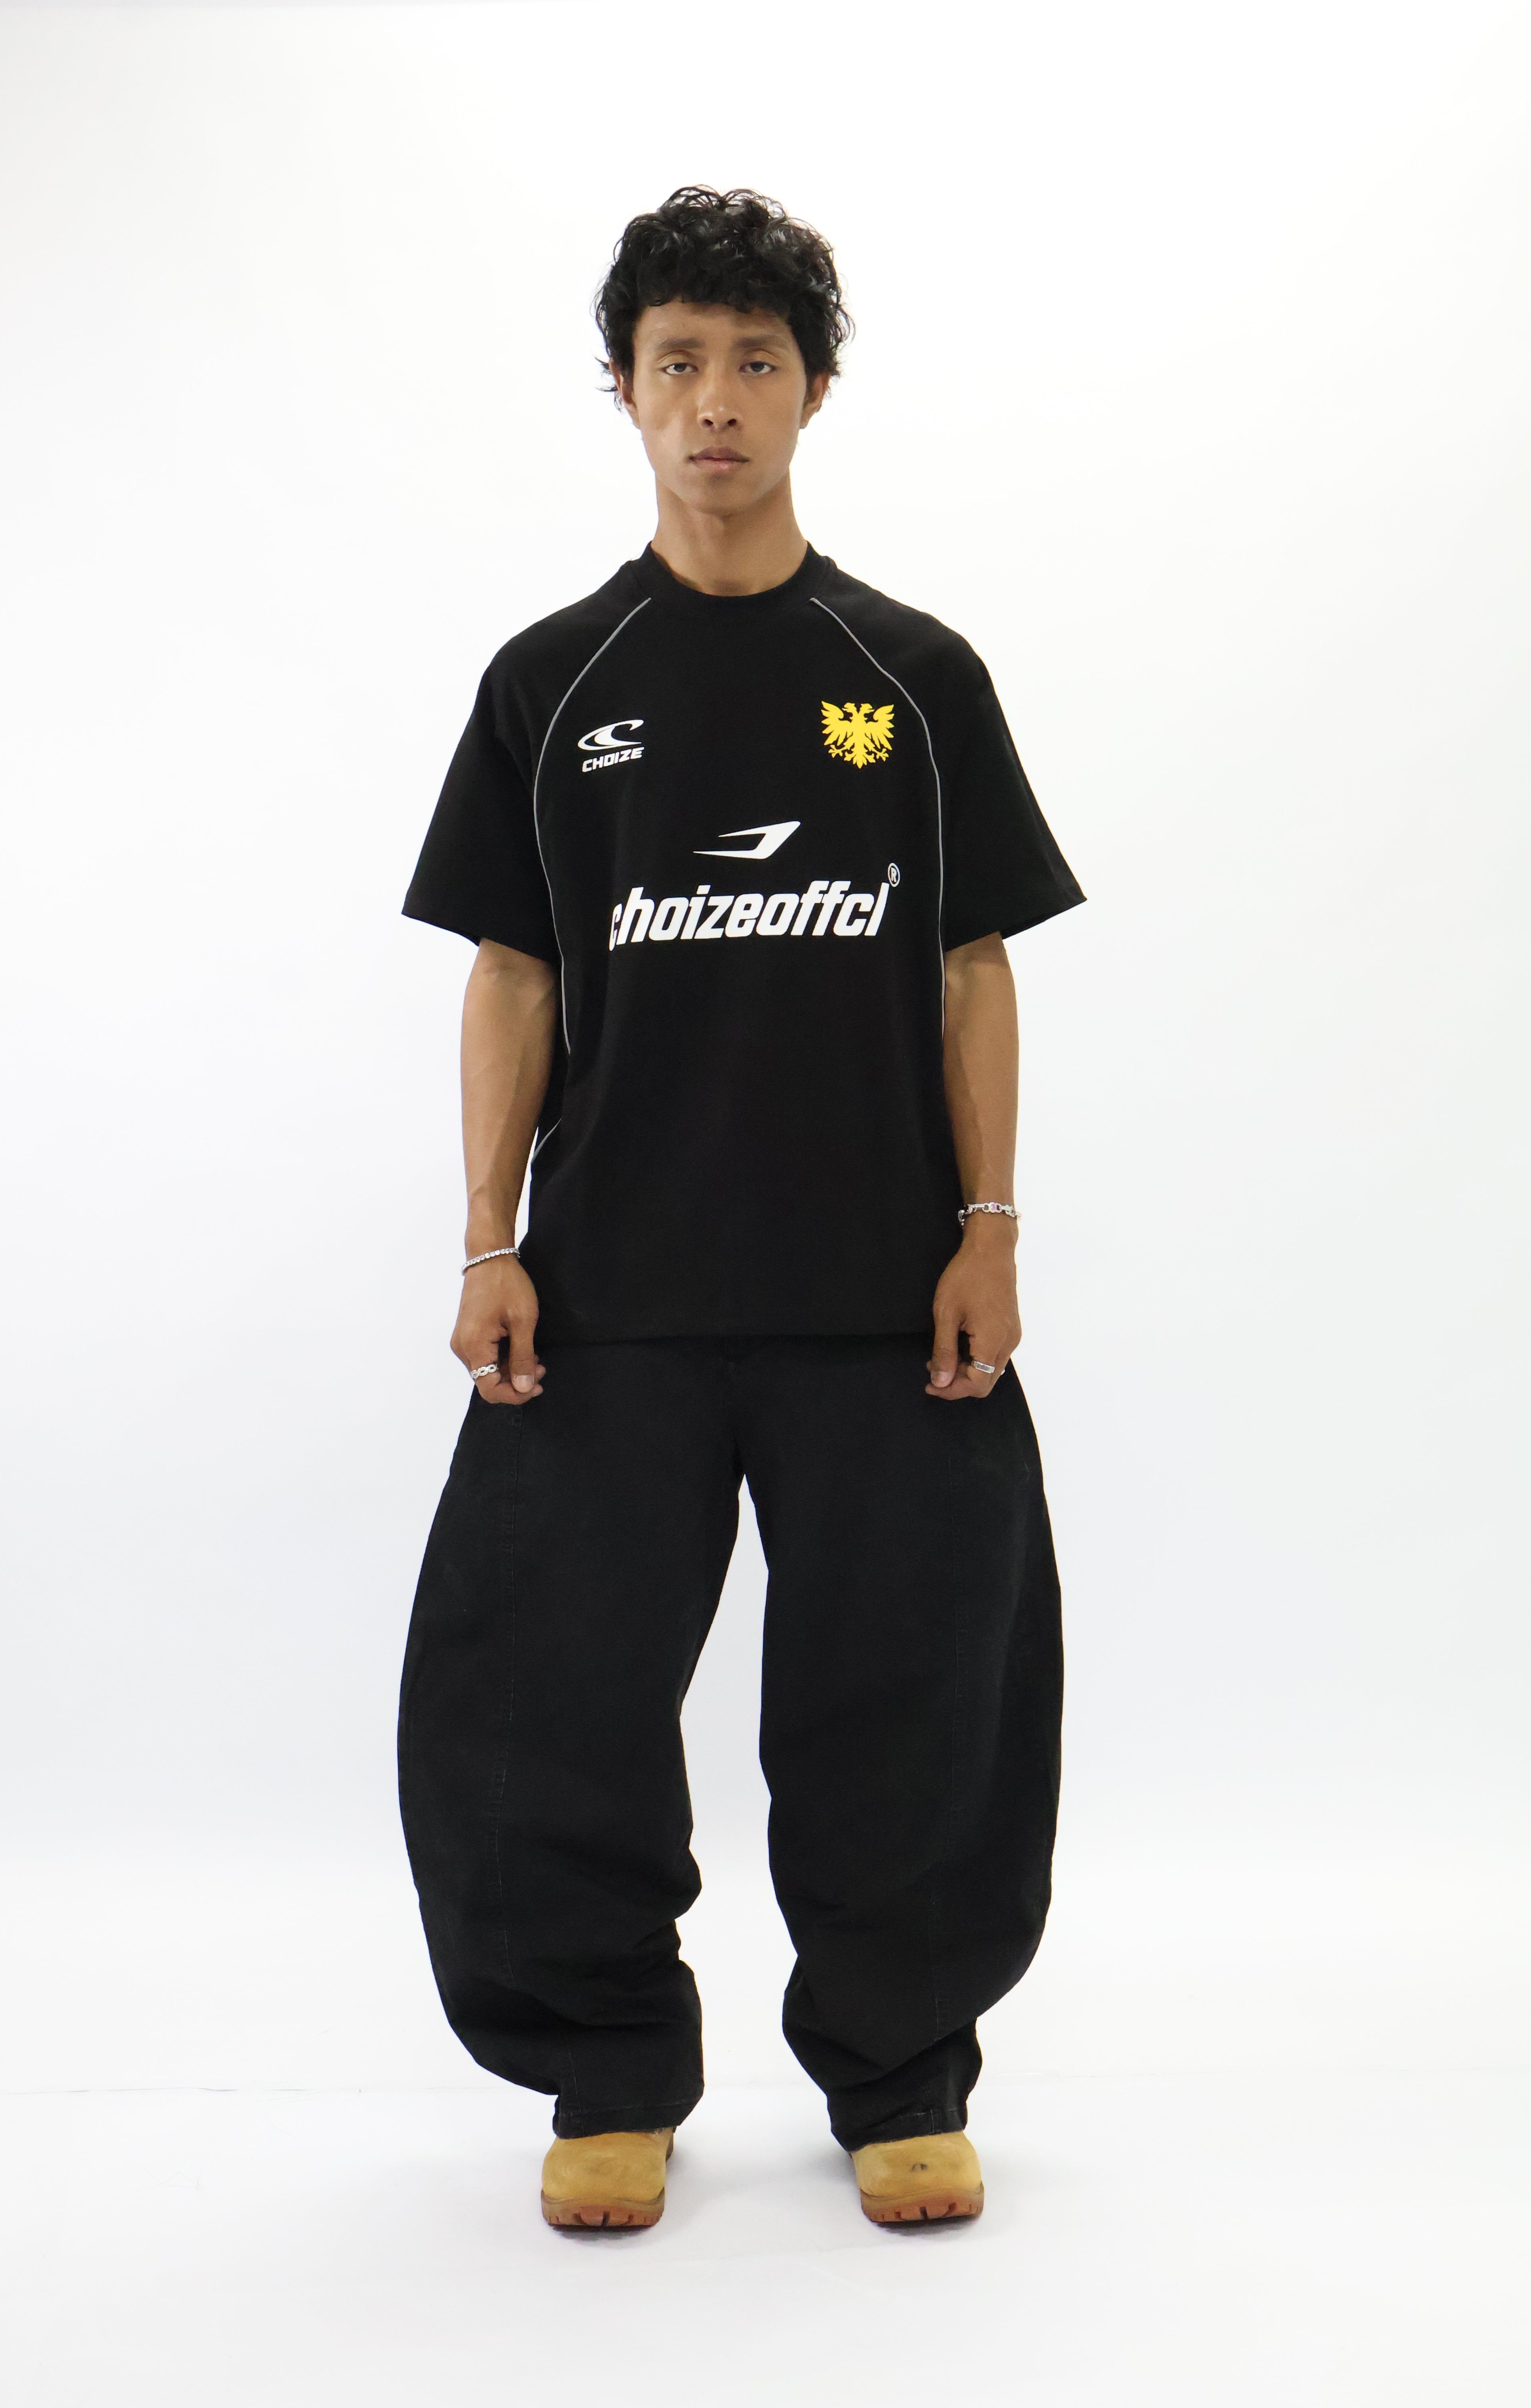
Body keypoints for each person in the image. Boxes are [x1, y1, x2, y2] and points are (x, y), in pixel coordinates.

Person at [397, 186, 1083, 2232]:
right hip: (608, 1298)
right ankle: (605, 2068)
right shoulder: (552, 683)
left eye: (755, 363)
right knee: (536, 1698)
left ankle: (901, 2072)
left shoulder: (911, 676)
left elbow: (971, 964)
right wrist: (489, 1241)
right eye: (677, 361)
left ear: (812, 393)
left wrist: (990, 1227)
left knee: (923, 1703)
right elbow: (511, 972)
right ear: (625, 391)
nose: (716, 401)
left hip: (888, 1300)